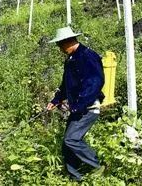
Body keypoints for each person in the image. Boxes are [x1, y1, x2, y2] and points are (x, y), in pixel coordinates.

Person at [46, 26, 106, 181]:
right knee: (67, 145)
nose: (59, 48)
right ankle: (75, 178)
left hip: (88, 107)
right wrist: (56, 100)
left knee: (71, 139)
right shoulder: (71, 60)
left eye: (59, 44)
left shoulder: (87, 56)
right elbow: (66, 85)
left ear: (68, 42)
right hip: (78, 108)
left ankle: (97, 166)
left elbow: (94, 83)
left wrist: (78, 105)